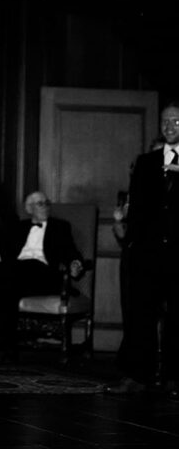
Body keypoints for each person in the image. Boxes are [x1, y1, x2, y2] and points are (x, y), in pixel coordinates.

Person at [104, 100, 179, 399]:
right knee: (140, 317)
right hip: (147, 255)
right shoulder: (146, 162)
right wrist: (132, 245)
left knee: (178, 318)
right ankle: (137, 377)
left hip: (178, 255)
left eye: (176, 121)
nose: (169, 126)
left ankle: (175, 378)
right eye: (165, 121)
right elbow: (135, 210)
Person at [0, 190, 84, 360]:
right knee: (9, 284)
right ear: (29, 209)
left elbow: (71, 251)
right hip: (18, 275)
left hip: (44, 275)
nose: (46, 207)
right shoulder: (17, 227)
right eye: (40, 204)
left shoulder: (60, 227)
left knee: (8, 278)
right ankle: (8, 347)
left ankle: (1, 342)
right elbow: (4, 250)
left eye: (47, 203)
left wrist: (75, 263)